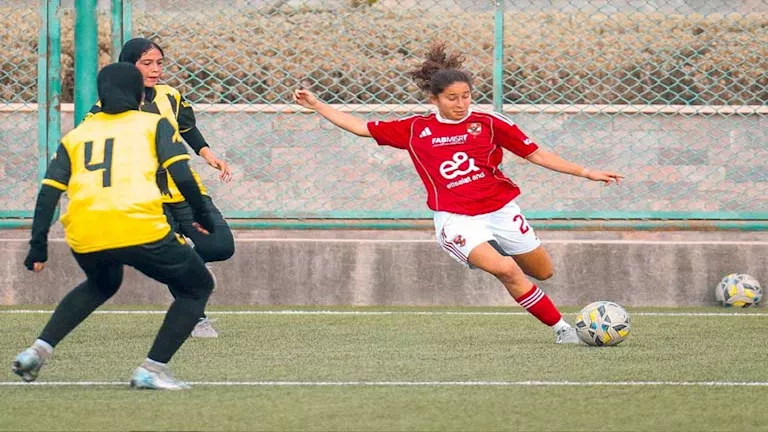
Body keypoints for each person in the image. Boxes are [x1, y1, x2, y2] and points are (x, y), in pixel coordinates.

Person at [293, 42, 624, 344]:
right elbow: (361, 128)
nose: (461, 104)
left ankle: (493, 249)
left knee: (543, 272)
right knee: (507, 270)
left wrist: (585, 172)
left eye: (466, 96)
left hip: (501, 210)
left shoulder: (489, 123)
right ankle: (563, 330)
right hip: (457, 219)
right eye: (452, 98)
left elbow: (535, 154)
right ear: (434, 99)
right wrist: (317, 104)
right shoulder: (415, 129)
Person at [12, 63, 215, 389]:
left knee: (102, 284)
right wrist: (202, 216)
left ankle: (36, 351)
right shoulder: (153, 123)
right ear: (140, 95)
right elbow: (182, 175)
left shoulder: (77, 135)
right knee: (198, 286)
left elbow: (48, 193)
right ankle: (151, 370)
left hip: (85, 232)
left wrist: (38, 245)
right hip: (139, 226)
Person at [87, 38, 235, 338]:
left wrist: (208, 154)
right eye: (147, 63)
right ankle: (196, 318)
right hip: (145, 199)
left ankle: (188, 262)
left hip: (183, 189)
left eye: (159, 63)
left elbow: (188, 127)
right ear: (128, 67)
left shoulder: (171, 96)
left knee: (220, 246)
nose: (155, 70)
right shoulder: (106, 108)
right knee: (175, 258)